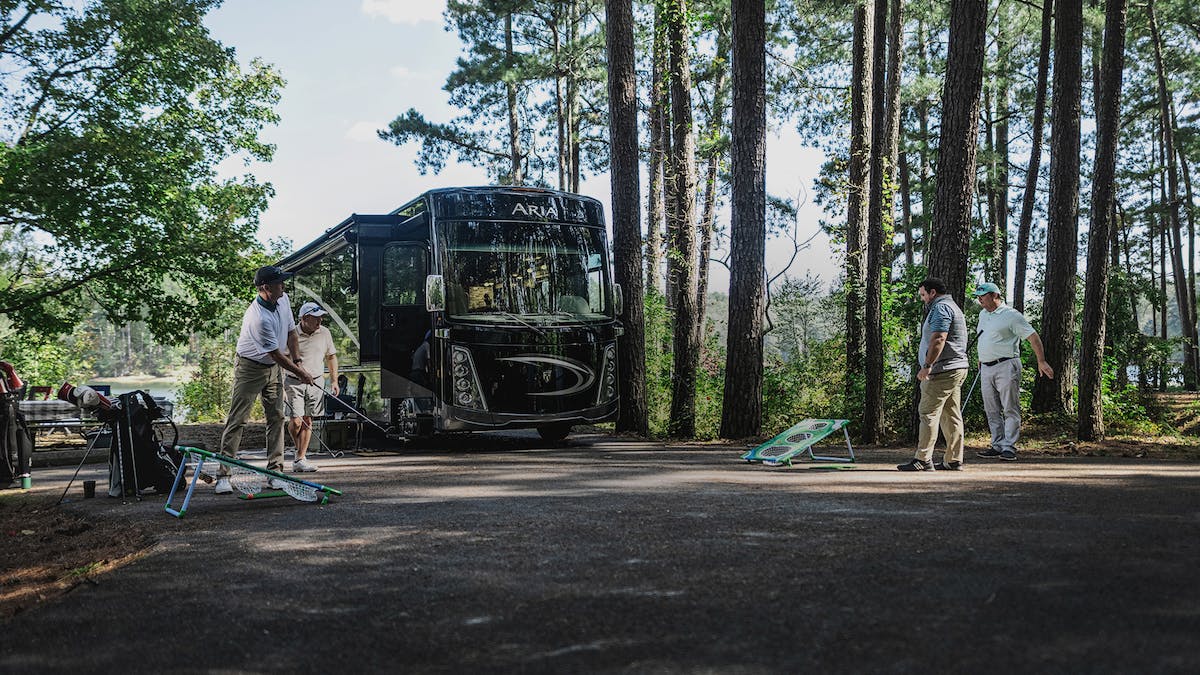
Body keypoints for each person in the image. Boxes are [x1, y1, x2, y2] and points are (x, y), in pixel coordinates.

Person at [214, 266, 314, 495]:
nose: (284, 286)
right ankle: (223, 475)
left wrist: (298, 361)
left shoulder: (284, 299)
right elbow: (277, 355)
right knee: (238, 420)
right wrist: (301, 374)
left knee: (277, 418)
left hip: (273, 369)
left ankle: (275, 473)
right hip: (250, 367)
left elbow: (291, 333)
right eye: (279, 283)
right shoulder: (258, 318)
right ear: (265, 288)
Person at [973, 282, 1055, 461]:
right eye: (978, 296)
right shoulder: (983, 314)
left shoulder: (1011, 315)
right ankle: (997, 444)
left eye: (983, 295)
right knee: (991, 409)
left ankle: (1009, 446)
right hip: (986, 367)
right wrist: (981, 357)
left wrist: (1041, 361)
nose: (979, 299)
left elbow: (1033, 337)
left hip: (1007, 365)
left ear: (995, 295)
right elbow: (985, 337)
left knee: (1010, 407)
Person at [899, 277, 970, 472]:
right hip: (956, 368)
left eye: (923, 294)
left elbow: (939, 338)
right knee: (951, 414)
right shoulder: (953, 306)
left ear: (932, 293)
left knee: (928, 412)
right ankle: (954, 460)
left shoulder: (940, 308)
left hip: (942, 370)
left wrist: (928, 365)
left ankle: (923, 459)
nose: (922, 299)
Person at [285, 301, 339, 472]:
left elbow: (331, 357)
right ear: (305, 318)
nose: (320, 321)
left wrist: (334, 381)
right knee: (296, 421)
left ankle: (300, 458)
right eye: (316, 318)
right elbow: (282, 360)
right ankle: (299, 452)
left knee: (308, 420)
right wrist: (280, 386)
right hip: (294, 381)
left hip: (316, 381)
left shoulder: (324, 333)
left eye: (321, 318)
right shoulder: (291, 333)